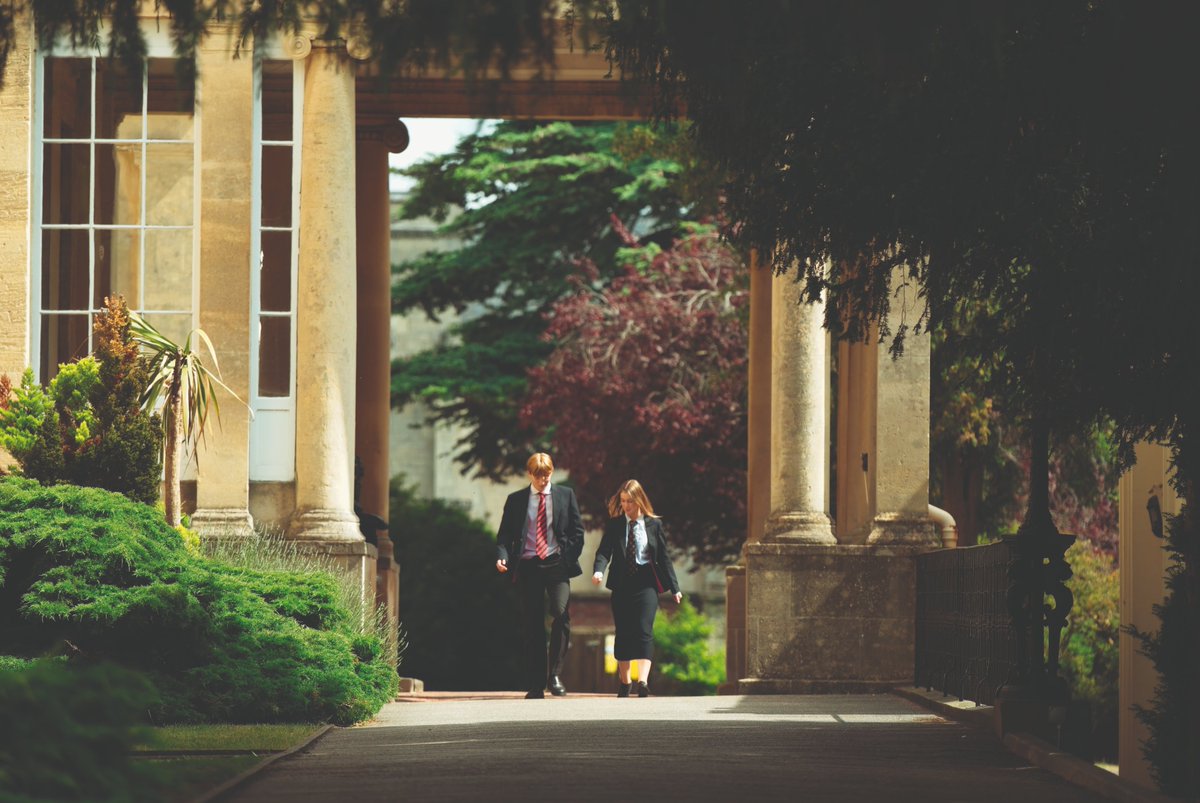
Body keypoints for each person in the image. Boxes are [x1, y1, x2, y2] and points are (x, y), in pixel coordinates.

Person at [496, 453, 585, 699]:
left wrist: (568, 558)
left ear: (552, 472)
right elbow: (504, 535)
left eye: (546, 474)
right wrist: (502, 555)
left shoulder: (565, 495)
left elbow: (578, 532)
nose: (543, 479)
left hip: (557, 564)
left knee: (560, 612)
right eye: (538, 475)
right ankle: (536, 684)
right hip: (528, 566)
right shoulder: (516, 500)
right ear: (529, 474)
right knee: (533, 625)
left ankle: (554, 675)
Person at [592, 479, 682, 698]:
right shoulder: (615, 525)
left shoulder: (654, 525)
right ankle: (625, 682)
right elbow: (604, 552)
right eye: (623, 502)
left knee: (644, 629)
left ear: (639, 500)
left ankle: (642, 681)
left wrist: (675, 588)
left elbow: (663, 557)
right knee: (623, 632)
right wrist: (599, 571)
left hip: (646, 583)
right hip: (622, 584)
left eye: (630, 502)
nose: (626, 506)